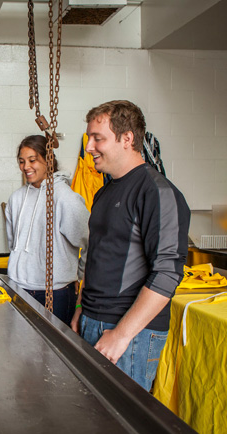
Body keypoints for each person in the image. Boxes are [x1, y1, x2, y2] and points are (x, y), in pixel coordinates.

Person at [71, 100, 189, 391]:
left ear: (127, 139)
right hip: (90, 320)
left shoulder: (157, 192)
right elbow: (96, 256)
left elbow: (167, 274)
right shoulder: (104, 192)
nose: (89, 147)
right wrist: (79, 309)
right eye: (89, 138)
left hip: (130, 334)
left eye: (98, 138)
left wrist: (121, 335)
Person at [5, 135, 89, 325]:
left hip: (56, 293)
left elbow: (90, 242)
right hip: (19, 287)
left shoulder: (66, 198)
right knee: (21, 350)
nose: (26, 166)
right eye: (21, 161)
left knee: (53, 353)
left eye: (32, 160)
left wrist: (79, 275)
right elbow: (13, 243)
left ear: (48, 159)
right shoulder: (16, 199)